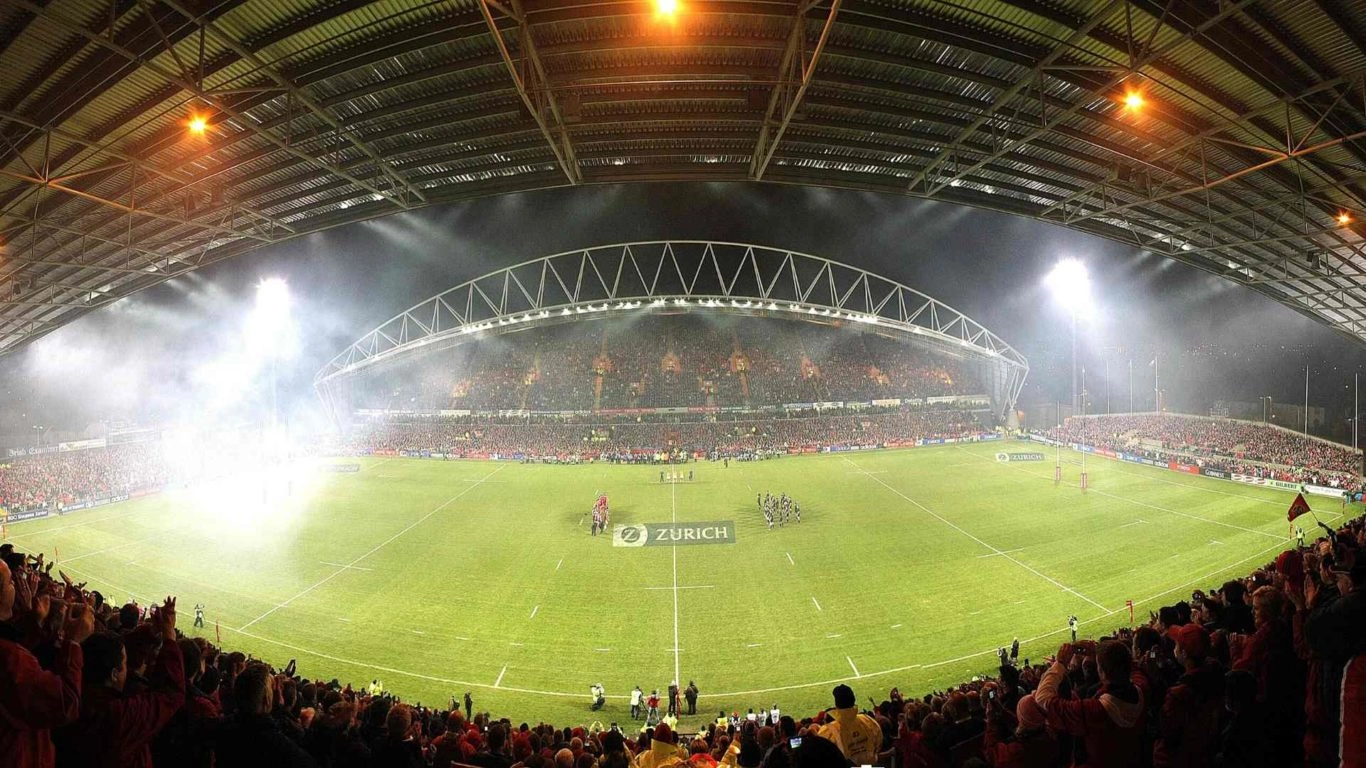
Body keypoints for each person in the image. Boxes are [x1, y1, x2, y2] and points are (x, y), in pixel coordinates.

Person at [0, 557, 94, 767]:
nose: (16, 584)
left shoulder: (11, 648)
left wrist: (33, 622)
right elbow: (66, 704)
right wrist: (73, 642)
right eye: (9, 582)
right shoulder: (10, 658)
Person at [1032, 640, 1146, 768]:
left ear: (1101, 672)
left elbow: (1043, 698)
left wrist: (1060, 664)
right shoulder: (1142, 688)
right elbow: (1134, 668)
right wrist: (1100, 652)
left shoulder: (1093, 711)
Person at [1153, 624, 1223, 768]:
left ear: (1184, 653)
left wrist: (1154, 679)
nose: (1174, 647)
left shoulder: (1178, 694)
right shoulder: (1215, 669)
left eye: (1177, 644)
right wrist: (1165, 669)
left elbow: (1165, 730)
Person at [815, 684, 880, 765]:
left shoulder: (827, 731)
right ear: (853, 701)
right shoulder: (868, 720)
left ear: (836, 705)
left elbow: (820, 756)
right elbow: (878, 744)